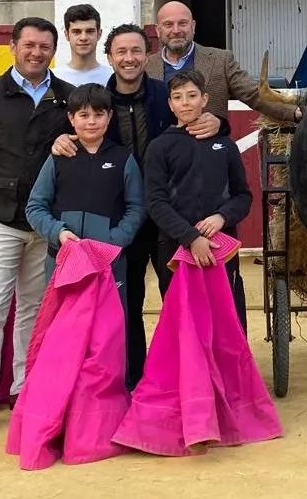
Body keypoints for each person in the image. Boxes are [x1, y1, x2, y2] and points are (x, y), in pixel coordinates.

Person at [63, 23, 226, 387]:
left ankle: (182, 381)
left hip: (171, 218)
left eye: (136, 51)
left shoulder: (164, 95)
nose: (129, 58)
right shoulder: (98, 100)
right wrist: (61, 138)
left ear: (147, 55)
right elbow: (74, 129)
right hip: (120, 219)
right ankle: (132, 380)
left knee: (178, 300)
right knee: (125, 304)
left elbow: (199, 122)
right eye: (121, 52)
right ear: (109, 57)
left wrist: (221, 122)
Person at [0, 17, 75, 439]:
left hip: (44, 223)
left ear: (53, 51)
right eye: (29, 45)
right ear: (12, 46)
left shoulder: (68, 98)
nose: (36, 52)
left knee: (33, 311)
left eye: (44, 46)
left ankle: (25, 390)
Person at [142, 69, 253, 330]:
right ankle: (190, 372)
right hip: (175, 248)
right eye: (178, 97)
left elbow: (243, 196)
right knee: (184, 322)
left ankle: (226, 372)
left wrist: (221, 217)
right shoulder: (159, 147)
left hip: (222, 247)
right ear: (170, 104)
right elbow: (155, 202)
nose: (186, 102)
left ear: (204, 99)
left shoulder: (225, 145)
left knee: (226, 320)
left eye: (192, 95)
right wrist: (191, 238)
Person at [25, 83, 145, 302]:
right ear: (71, 118)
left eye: (98, 115)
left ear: (109, 117)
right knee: (65, 327)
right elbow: (35, 207)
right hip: (62, 258)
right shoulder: (58, 158)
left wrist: (115, 239)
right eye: (83, 115)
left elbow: (136, 207)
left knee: (106, 328)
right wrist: (58, 233)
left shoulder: (123, 159)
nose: (91, 122)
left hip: (108, 261)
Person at [145, 0, 297, 124]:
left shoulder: (221, 60)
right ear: (158, 30)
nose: (176, 30)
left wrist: (295, 112)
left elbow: (253, 94)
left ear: (193, 26)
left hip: (209, 150)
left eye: (183, 23)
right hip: (160, 154)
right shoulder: (145, 67)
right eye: (168, 24)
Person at [57, 3, 113, 86]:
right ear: (66, 35)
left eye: (90, 31)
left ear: (99, 34)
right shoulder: (54, 78)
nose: (83, 38)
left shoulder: (112, 78)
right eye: (76, 32)